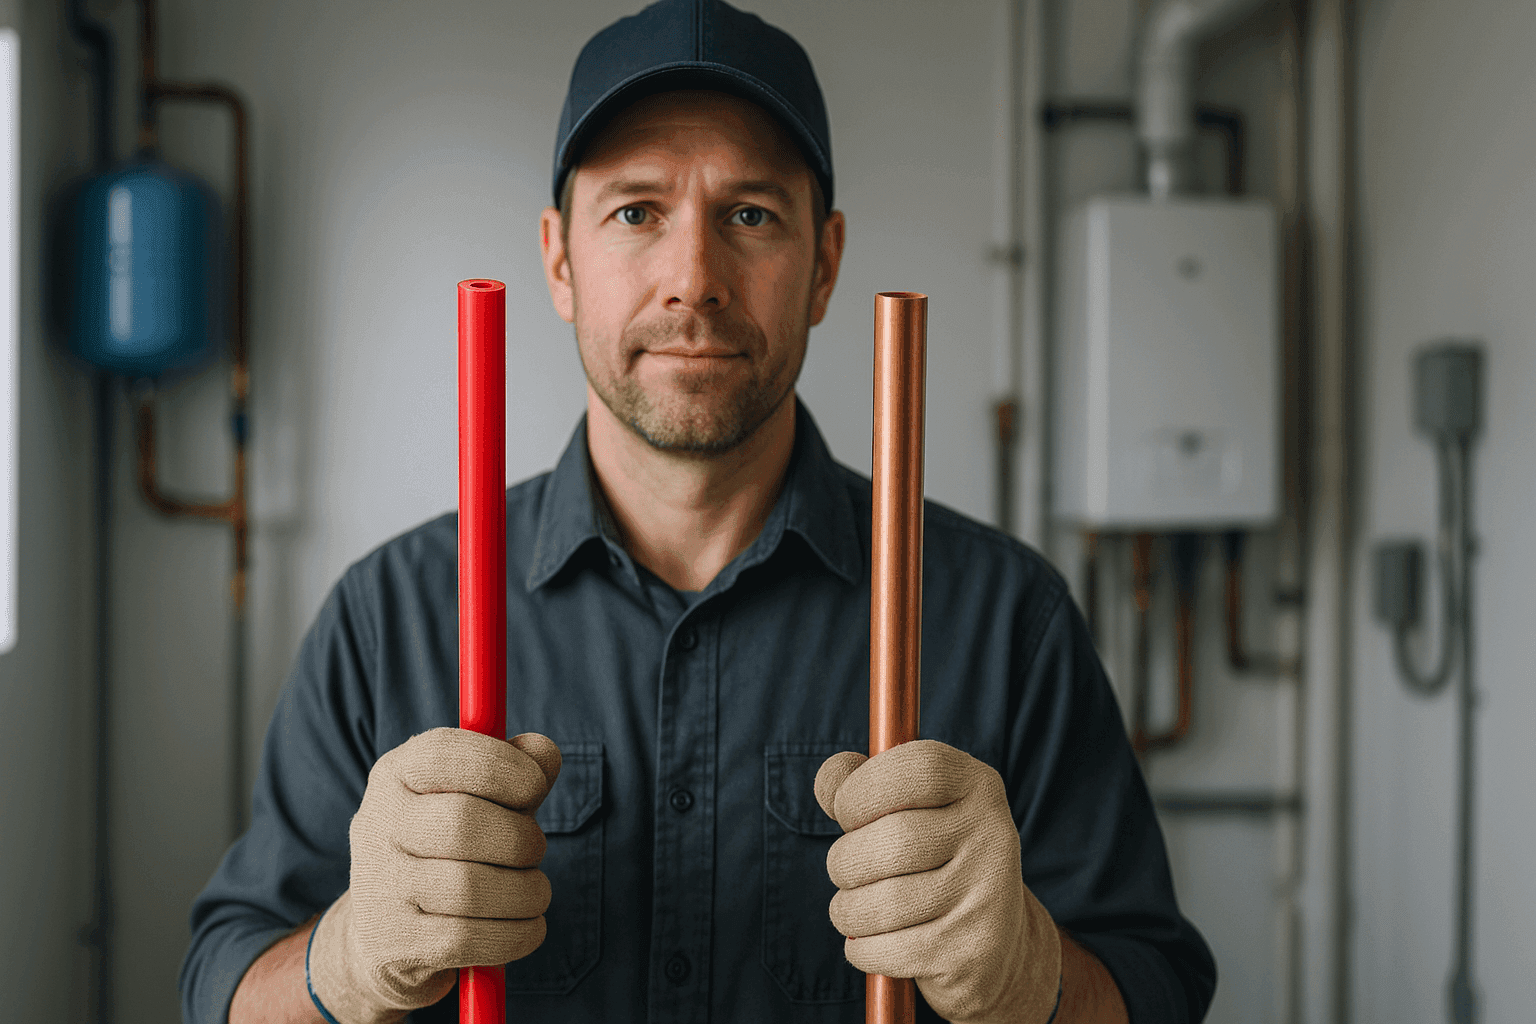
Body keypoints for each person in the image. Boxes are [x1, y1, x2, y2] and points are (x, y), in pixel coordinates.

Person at [180, 2, 1216, 1023]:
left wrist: (1031, 977)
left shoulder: (1003, 616)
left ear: (825, 262)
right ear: (558, 259)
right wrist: (349, 960)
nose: (694, 280)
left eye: (751, 214)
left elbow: (1158, 989)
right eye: (636, 211)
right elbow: (221, 986)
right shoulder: (393, 614)